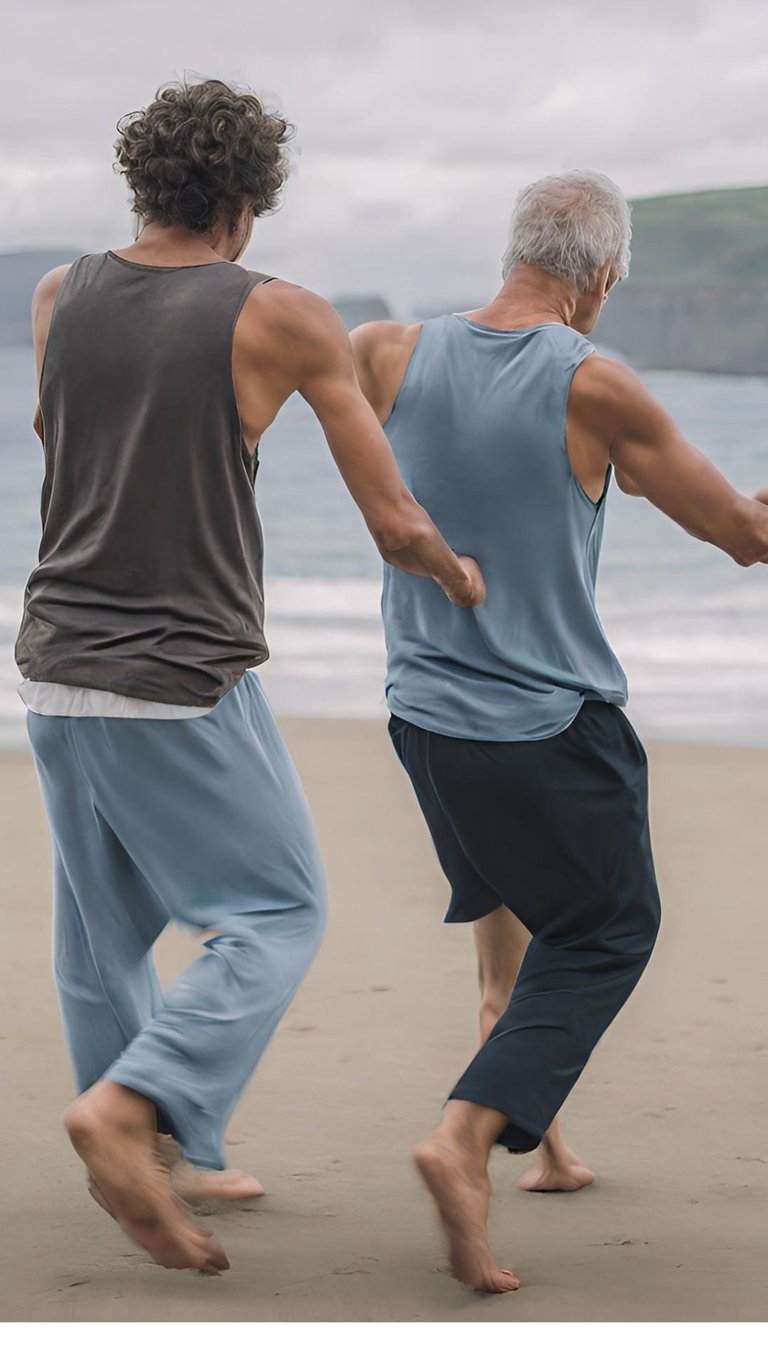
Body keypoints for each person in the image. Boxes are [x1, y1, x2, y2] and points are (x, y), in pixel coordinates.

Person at [16, 77, 484, 1276]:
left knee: (103, 930)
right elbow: (395, 521)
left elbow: (60, 441)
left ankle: (162, 1150)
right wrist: (462, 575)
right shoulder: (282, 313)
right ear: (247, 199)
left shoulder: (60, 293)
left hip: (55, 664)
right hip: (181, 670)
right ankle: (133, 1107)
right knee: (277, 911)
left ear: (142, 182)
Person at [351, 169, 768, 1293]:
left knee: (514, 934)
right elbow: (744, 535)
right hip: (543, 730)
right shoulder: (596, 382)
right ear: (606, 275)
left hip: (423, 720)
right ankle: (465, 1137)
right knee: (608, 928)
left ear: (514, 250)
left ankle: (552, 1152)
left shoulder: (387, 351)